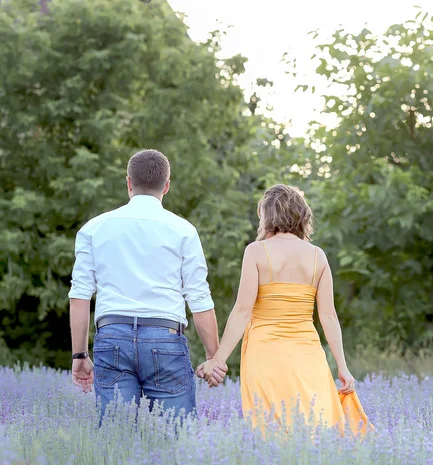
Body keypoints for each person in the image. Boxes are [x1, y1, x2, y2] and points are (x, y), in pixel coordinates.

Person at [69, 149, 226, 422]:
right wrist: (214, 356)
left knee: (115, 441)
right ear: (166, 186)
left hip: (112, 337)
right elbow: (199, 299)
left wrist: (79, 354)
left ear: (129, 182)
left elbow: (80, 296)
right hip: (165, 337)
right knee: (175, 441)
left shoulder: (93, 229)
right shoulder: (184, 231)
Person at [199, 184, 371, 434]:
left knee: (270, 430)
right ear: (302, 216)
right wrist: (342, 366)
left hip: (265, 354)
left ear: (267, 216)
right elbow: (328, 316)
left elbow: (242, 312)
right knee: (315, 428)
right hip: (308, 356)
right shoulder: (317, 256)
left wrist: (218, 360)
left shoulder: (256, 252)